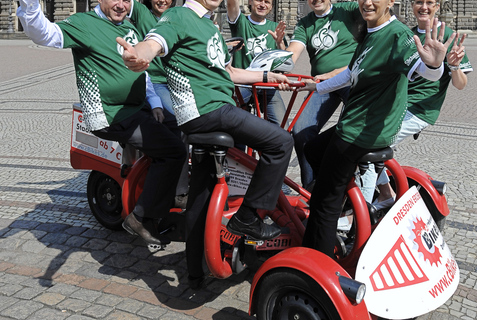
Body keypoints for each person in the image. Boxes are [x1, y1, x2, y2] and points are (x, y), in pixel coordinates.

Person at [116, 0, 293, 288]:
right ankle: (248, 217)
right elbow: (154, 43)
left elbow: (231, 73)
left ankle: (196, 272)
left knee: (202, 191)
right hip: (207, 111)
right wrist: (139, 56)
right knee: (281, 141)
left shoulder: (209, 25)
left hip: (211, 113)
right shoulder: (179, 16)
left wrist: (268, 76)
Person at [17, 0, 187, 250]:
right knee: (173, 151)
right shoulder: (84, 23)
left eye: (126, 0)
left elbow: (143, 72)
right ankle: (141, 218)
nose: (121, 5)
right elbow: (43, 33)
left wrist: (155, 103)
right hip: (110, 115)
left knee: (180, 126)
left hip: (136, 108)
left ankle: (172, 193)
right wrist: (30, 4)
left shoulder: (129, 26)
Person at [297, 0, 454, 258]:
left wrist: (435, 65)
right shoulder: (370, 32)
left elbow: (424, 70)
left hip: (359, 133)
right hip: (355, 128)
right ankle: (346, 196)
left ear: (391, 1)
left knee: (323, 204)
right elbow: (350, 73)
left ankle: (316, 259)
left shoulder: (397, 35)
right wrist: (315, 87)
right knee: (312, 148)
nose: (368, 2)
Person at [371, 0, 472, 210]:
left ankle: (381, 197)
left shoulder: (446, 34)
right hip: (394, 106)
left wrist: (453, 66)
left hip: (419, 110)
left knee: (367, 146)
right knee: (363, 143)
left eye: (430, 2)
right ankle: (383, 190)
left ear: (438, 6)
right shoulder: (405, 33)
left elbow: (461, 85)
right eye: (419, 2)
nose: (424, 7)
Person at [285, 0, 364, 189]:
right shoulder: (305, 23)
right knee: (300, 131)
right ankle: (312, 188)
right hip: (321, 83)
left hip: (349, 79)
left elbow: (372, 12)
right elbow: (293, 52)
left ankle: (353, 185)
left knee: (353, 128)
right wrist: (279, 65)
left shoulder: (348, 9)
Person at [128, 0, 190, 209]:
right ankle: (179, 191)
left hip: (179, 81)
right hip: (155, 83)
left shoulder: (179, 15)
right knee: (180, 122)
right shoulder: (142, 13)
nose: (162, 0)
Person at [227, 0, 288, 126]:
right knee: (231, 120)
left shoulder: (274, 27)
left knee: (283, 127)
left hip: (268, 83)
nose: (262, 5)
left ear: (271, 7)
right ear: (250, 2)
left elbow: (285, 61)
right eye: (259, 0)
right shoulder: (241, 22)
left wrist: (279, 43)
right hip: (243, 83)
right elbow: (231, 4)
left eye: (267, 2)